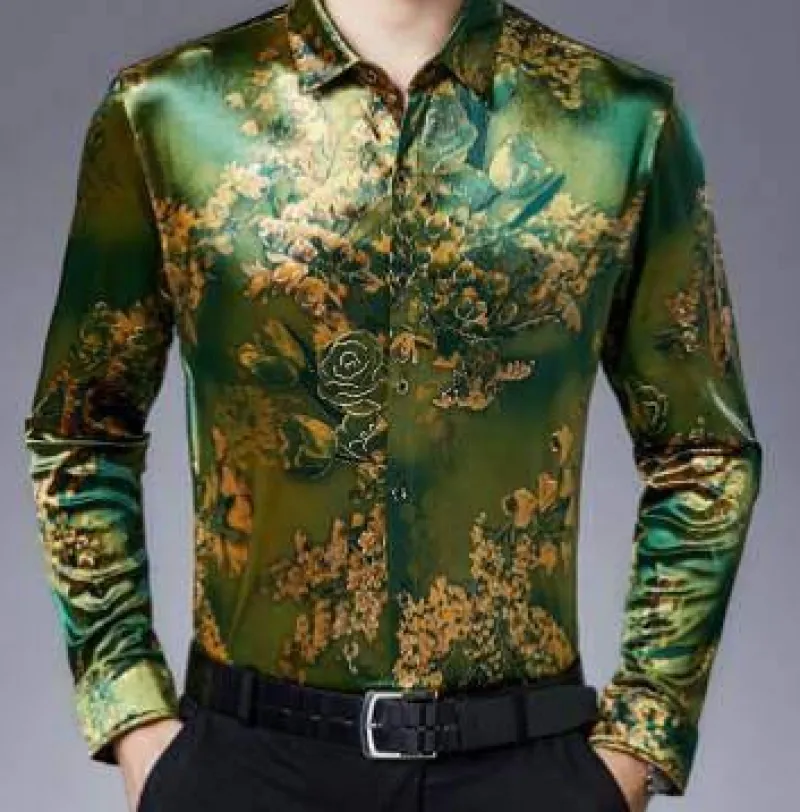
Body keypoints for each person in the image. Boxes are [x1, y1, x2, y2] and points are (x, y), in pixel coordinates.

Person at [22, 0, 763, 810]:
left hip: (524, 768)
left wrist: (639, 737)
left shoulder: (617, 123)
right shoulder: (169, 113)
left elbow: (704, 451)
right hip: (248, 765)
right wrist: (131, 713)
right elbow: (80, 430)